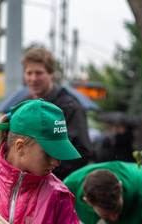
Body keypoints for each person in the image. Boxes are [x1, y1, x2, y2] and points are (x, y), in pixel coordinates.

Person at [22, 47, 91, 180]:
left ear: (51, 73)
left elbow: (82, 152)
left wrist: (46, 169)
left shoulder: (69, 106)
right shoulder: (24, 105)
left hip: (59, 183)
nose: (33, 78)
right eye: (29, 73)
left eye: (39, 73)